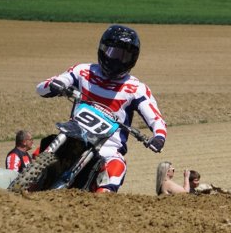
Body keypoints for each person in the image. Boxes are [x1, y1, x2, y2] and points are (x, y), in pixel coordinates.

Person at [37, 24, 167, 194]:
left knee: (117, 167)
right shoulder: (83, 71)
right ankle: (21, 188)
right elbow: (42, 87)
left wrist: (158, 137)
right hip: (73, 135)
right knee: (40, 151)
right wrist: (56, 85)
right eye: (113, 52)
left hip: (108, 146)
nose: (117, 60)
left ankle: (100, 205)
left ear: (133, 59)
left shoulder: (136, 88)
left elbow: (156, 119)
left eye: (124, 56)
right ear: (103, 49)